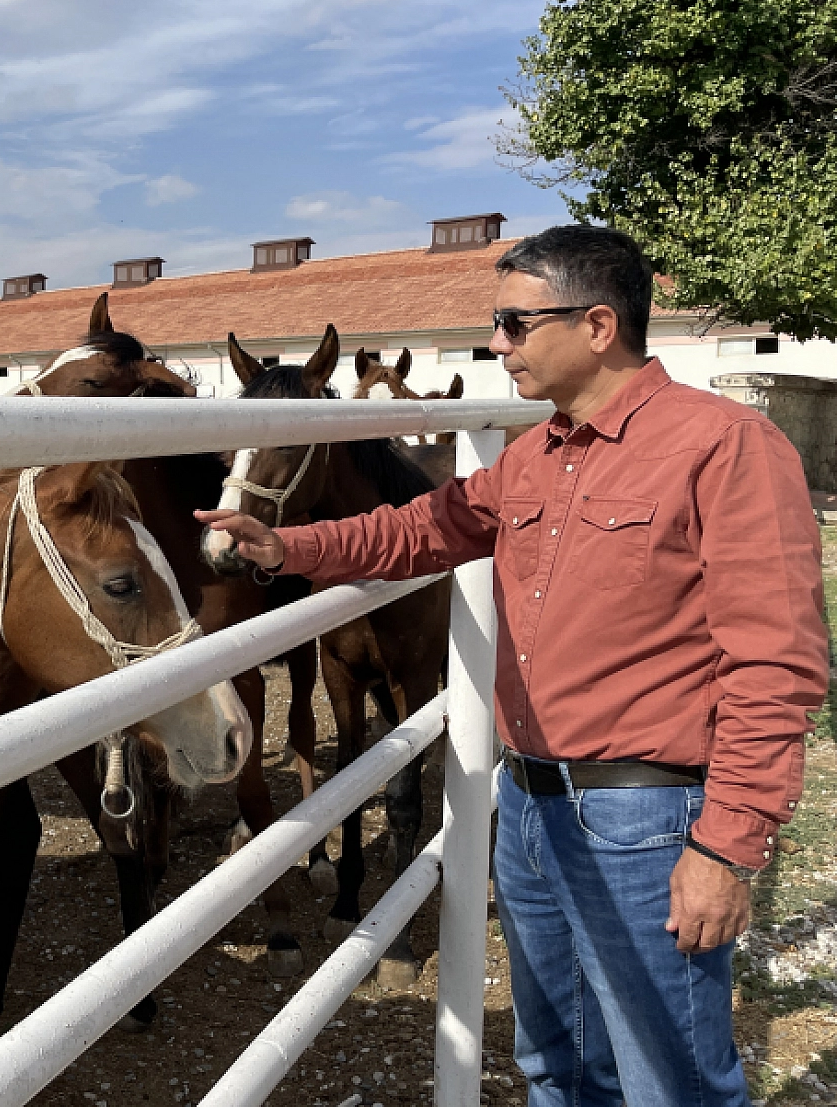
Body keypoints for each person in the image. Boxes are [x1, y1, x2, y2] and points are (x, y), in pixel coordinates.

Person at [198, 225, 828, 1107]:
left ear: (599, 325)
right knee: (555, 1065)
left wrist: (725, 846)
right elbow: (421, 527)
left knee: (671, 1079)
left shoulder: (724, 446)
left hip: (645, 814)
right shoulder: (536, 454)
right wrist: (286, 543)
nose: (497, 343)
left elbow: (777, 664)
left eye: (515, 323)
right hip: (528, 806)